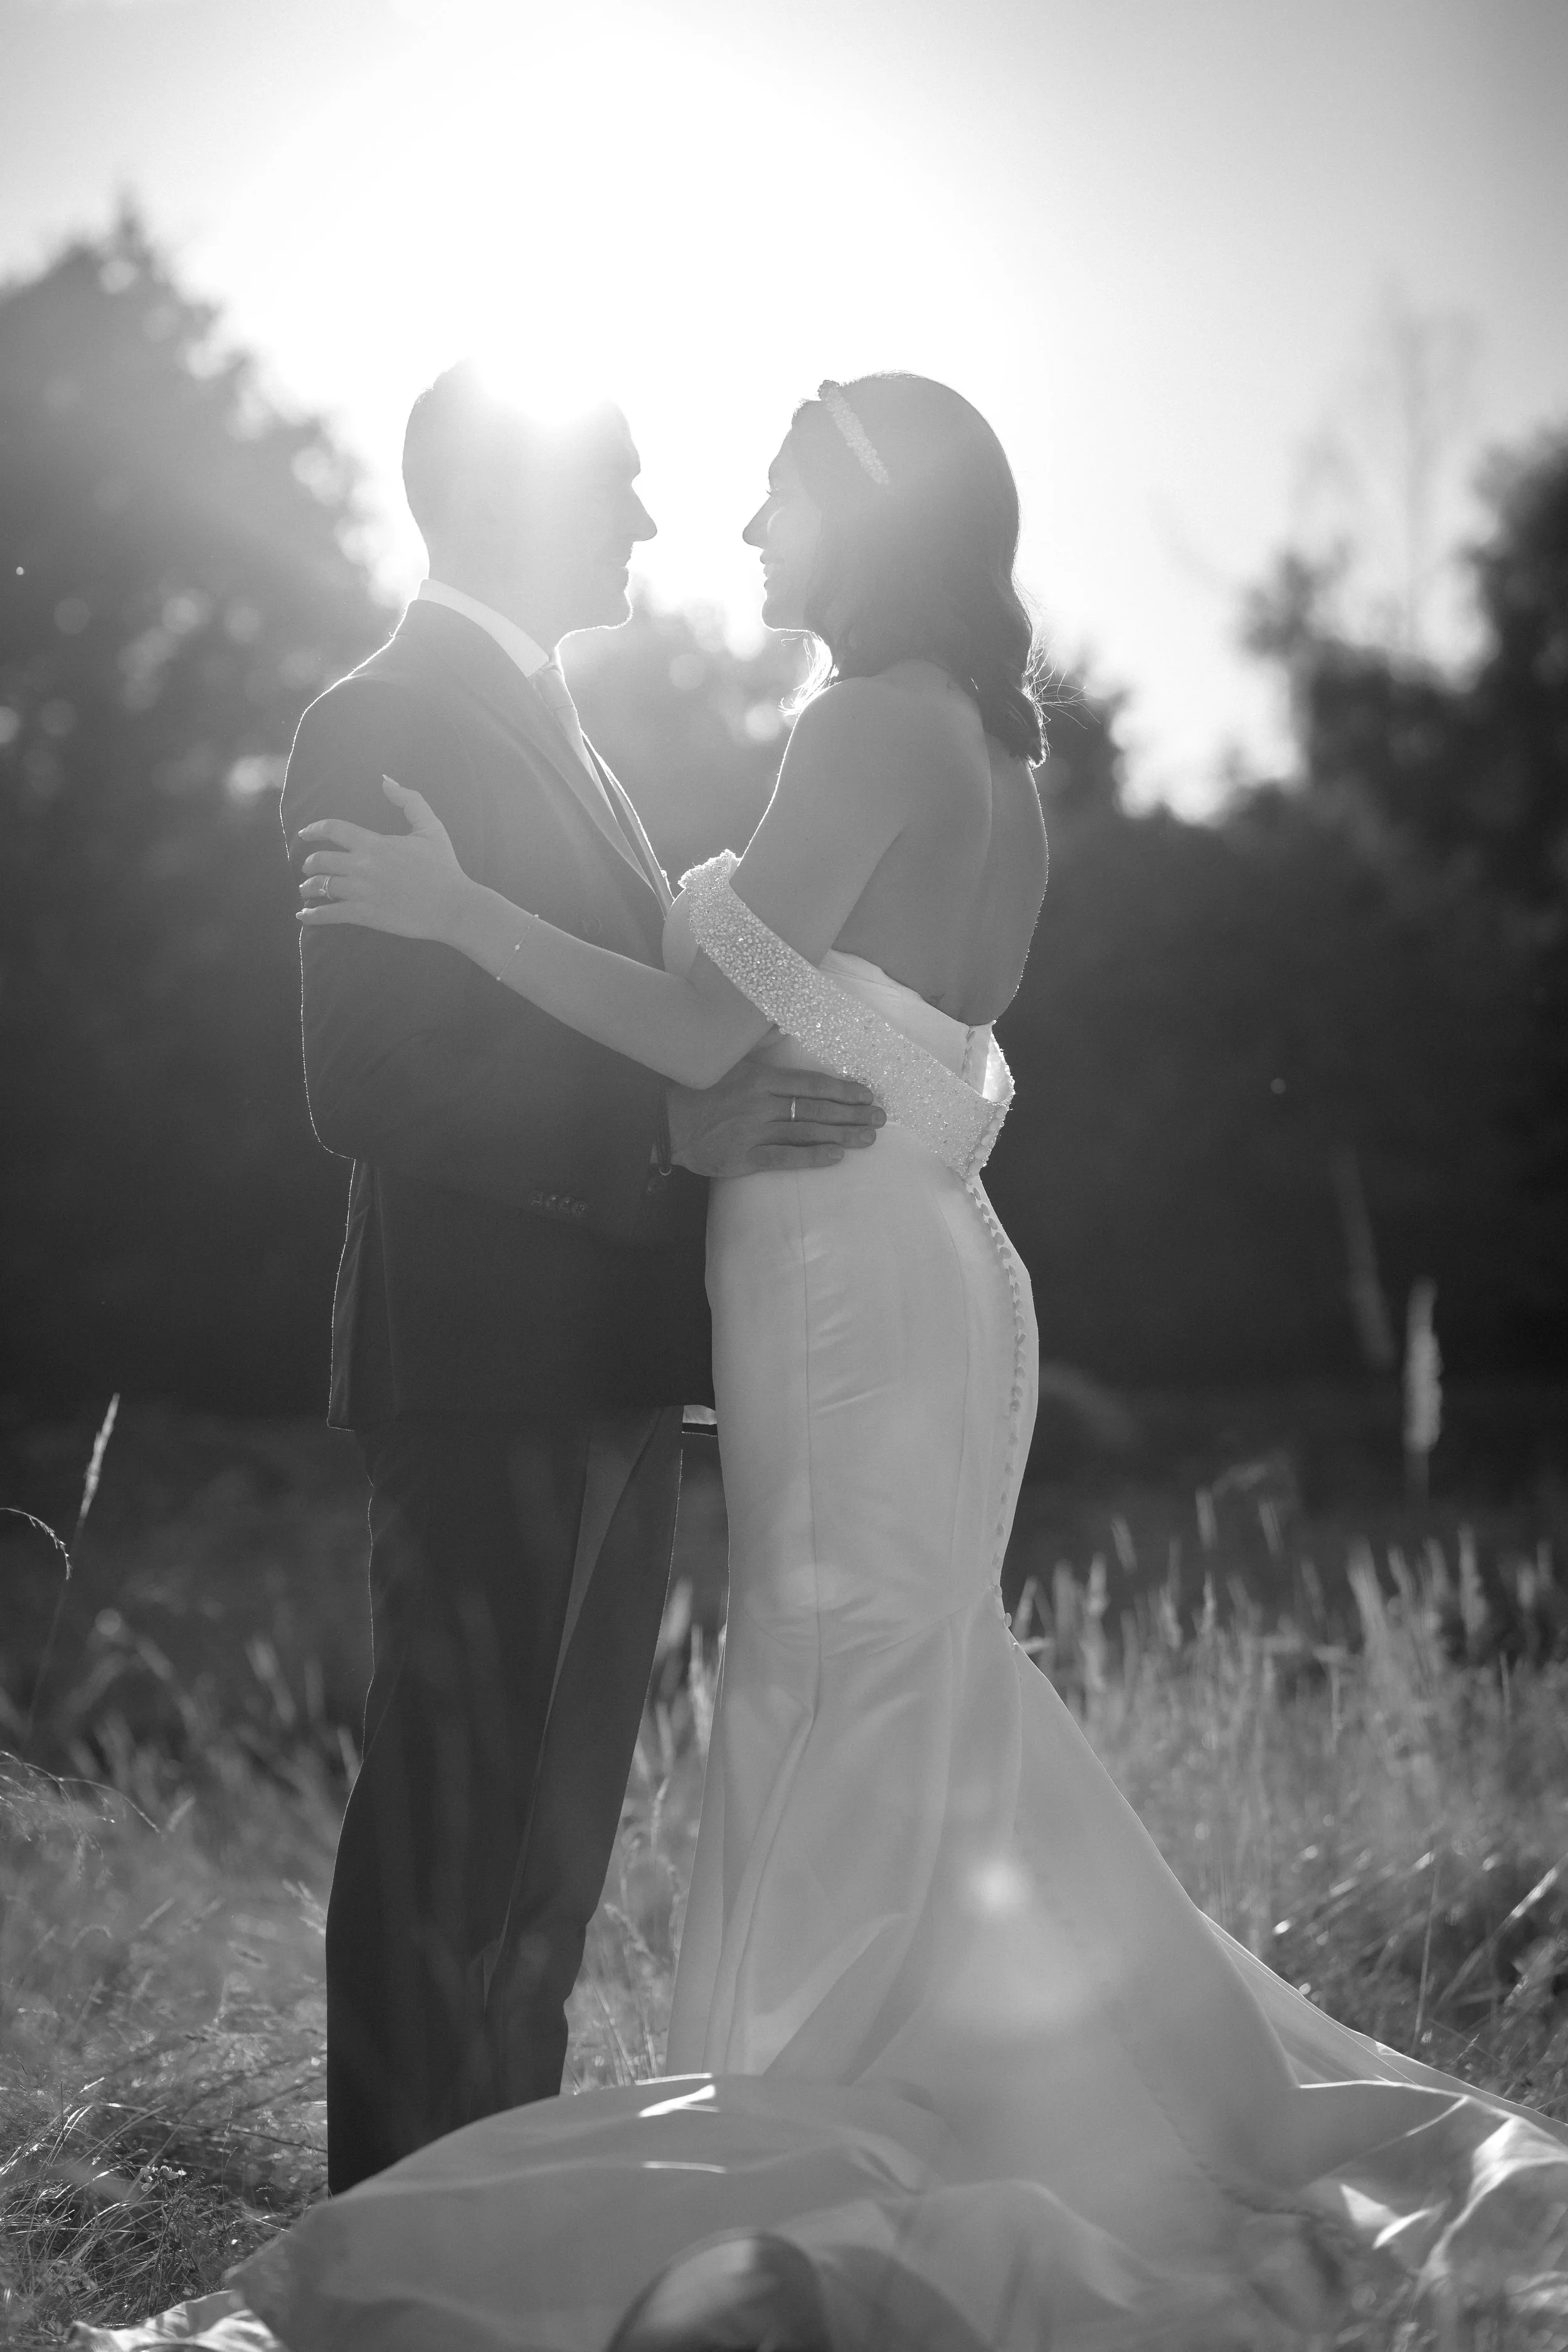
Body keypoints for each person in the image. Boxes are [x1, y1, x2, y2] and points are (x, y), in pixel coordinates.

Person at [89, 375, 1568, 2350]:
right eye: (629, 479)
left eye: (775, 487)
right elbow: (418, 1067)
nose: (703, 516)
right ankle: (480, 2211)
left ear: (870, 523)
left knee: (806, 1704)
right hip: (819, 1292)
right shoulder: (909, 749)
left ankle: (707, 2164)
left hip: (837, 1303)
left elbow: (702, 1033)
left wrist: (470, 919)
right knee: (758, 1724)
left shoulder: (851, 729)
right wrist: (620, 1085)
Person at [278, 363, 884, 2195]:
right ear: (506, 500)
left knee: (549, 1855)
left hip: (609, 1369)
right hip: (478, 1377)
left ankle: (490, 2226)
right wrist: (660, 1142)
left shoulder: (554, 722)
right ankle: (386, 2244)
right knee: (450, 1832)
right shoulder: (374, 716)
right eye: (614, 484)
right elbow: (365, 1075)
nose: (640, 518)